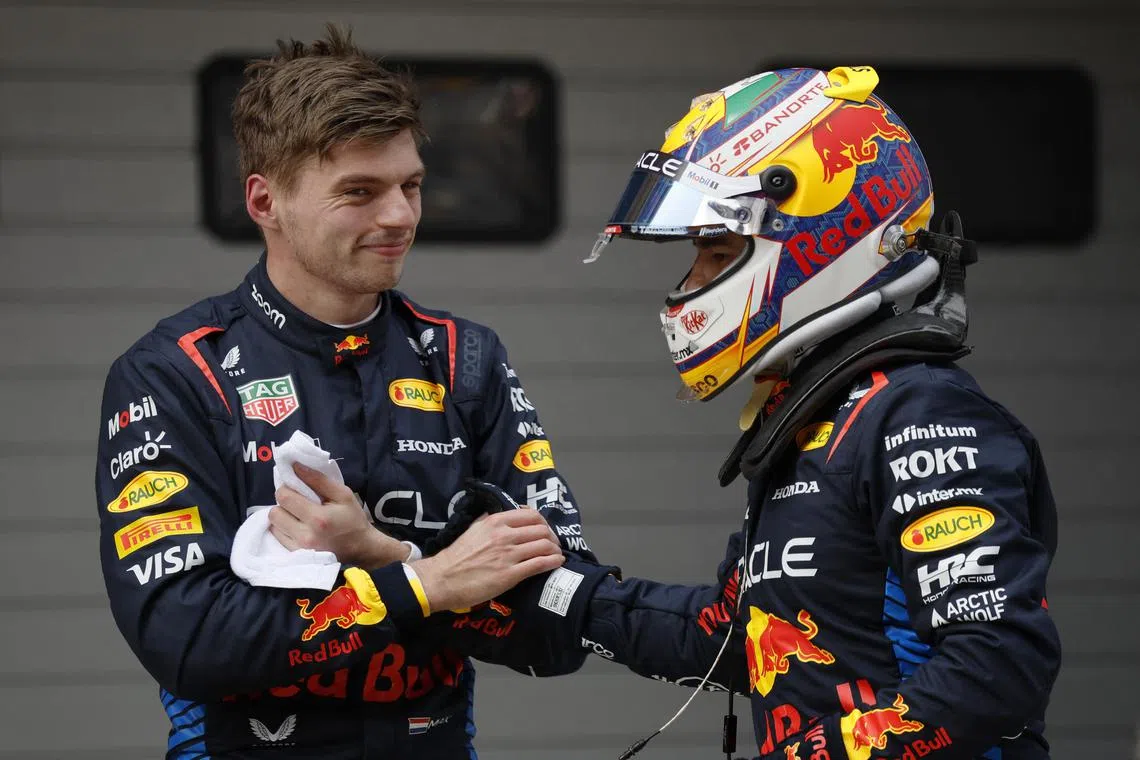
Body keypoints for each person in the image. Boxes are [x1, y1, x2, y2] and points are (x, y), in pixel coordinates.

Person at [95, 25, 612, 759]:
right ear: (265, 202)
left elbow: (564, 624)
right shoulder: (176, 372)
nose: (399, 216)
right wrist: (429, 583)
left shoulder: (466, 360)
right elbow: (189, 639)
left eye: (411, 185)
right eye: (359, 193)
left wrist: (382, 556)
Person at [575, 66, 1061, 759]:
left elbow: (997, 666)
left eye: (717, 254)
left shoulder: (918, 414)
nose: (691, 287)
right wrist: (552, 596)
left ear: (820, 242)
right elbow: (739, 636)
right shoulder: (815, 419)